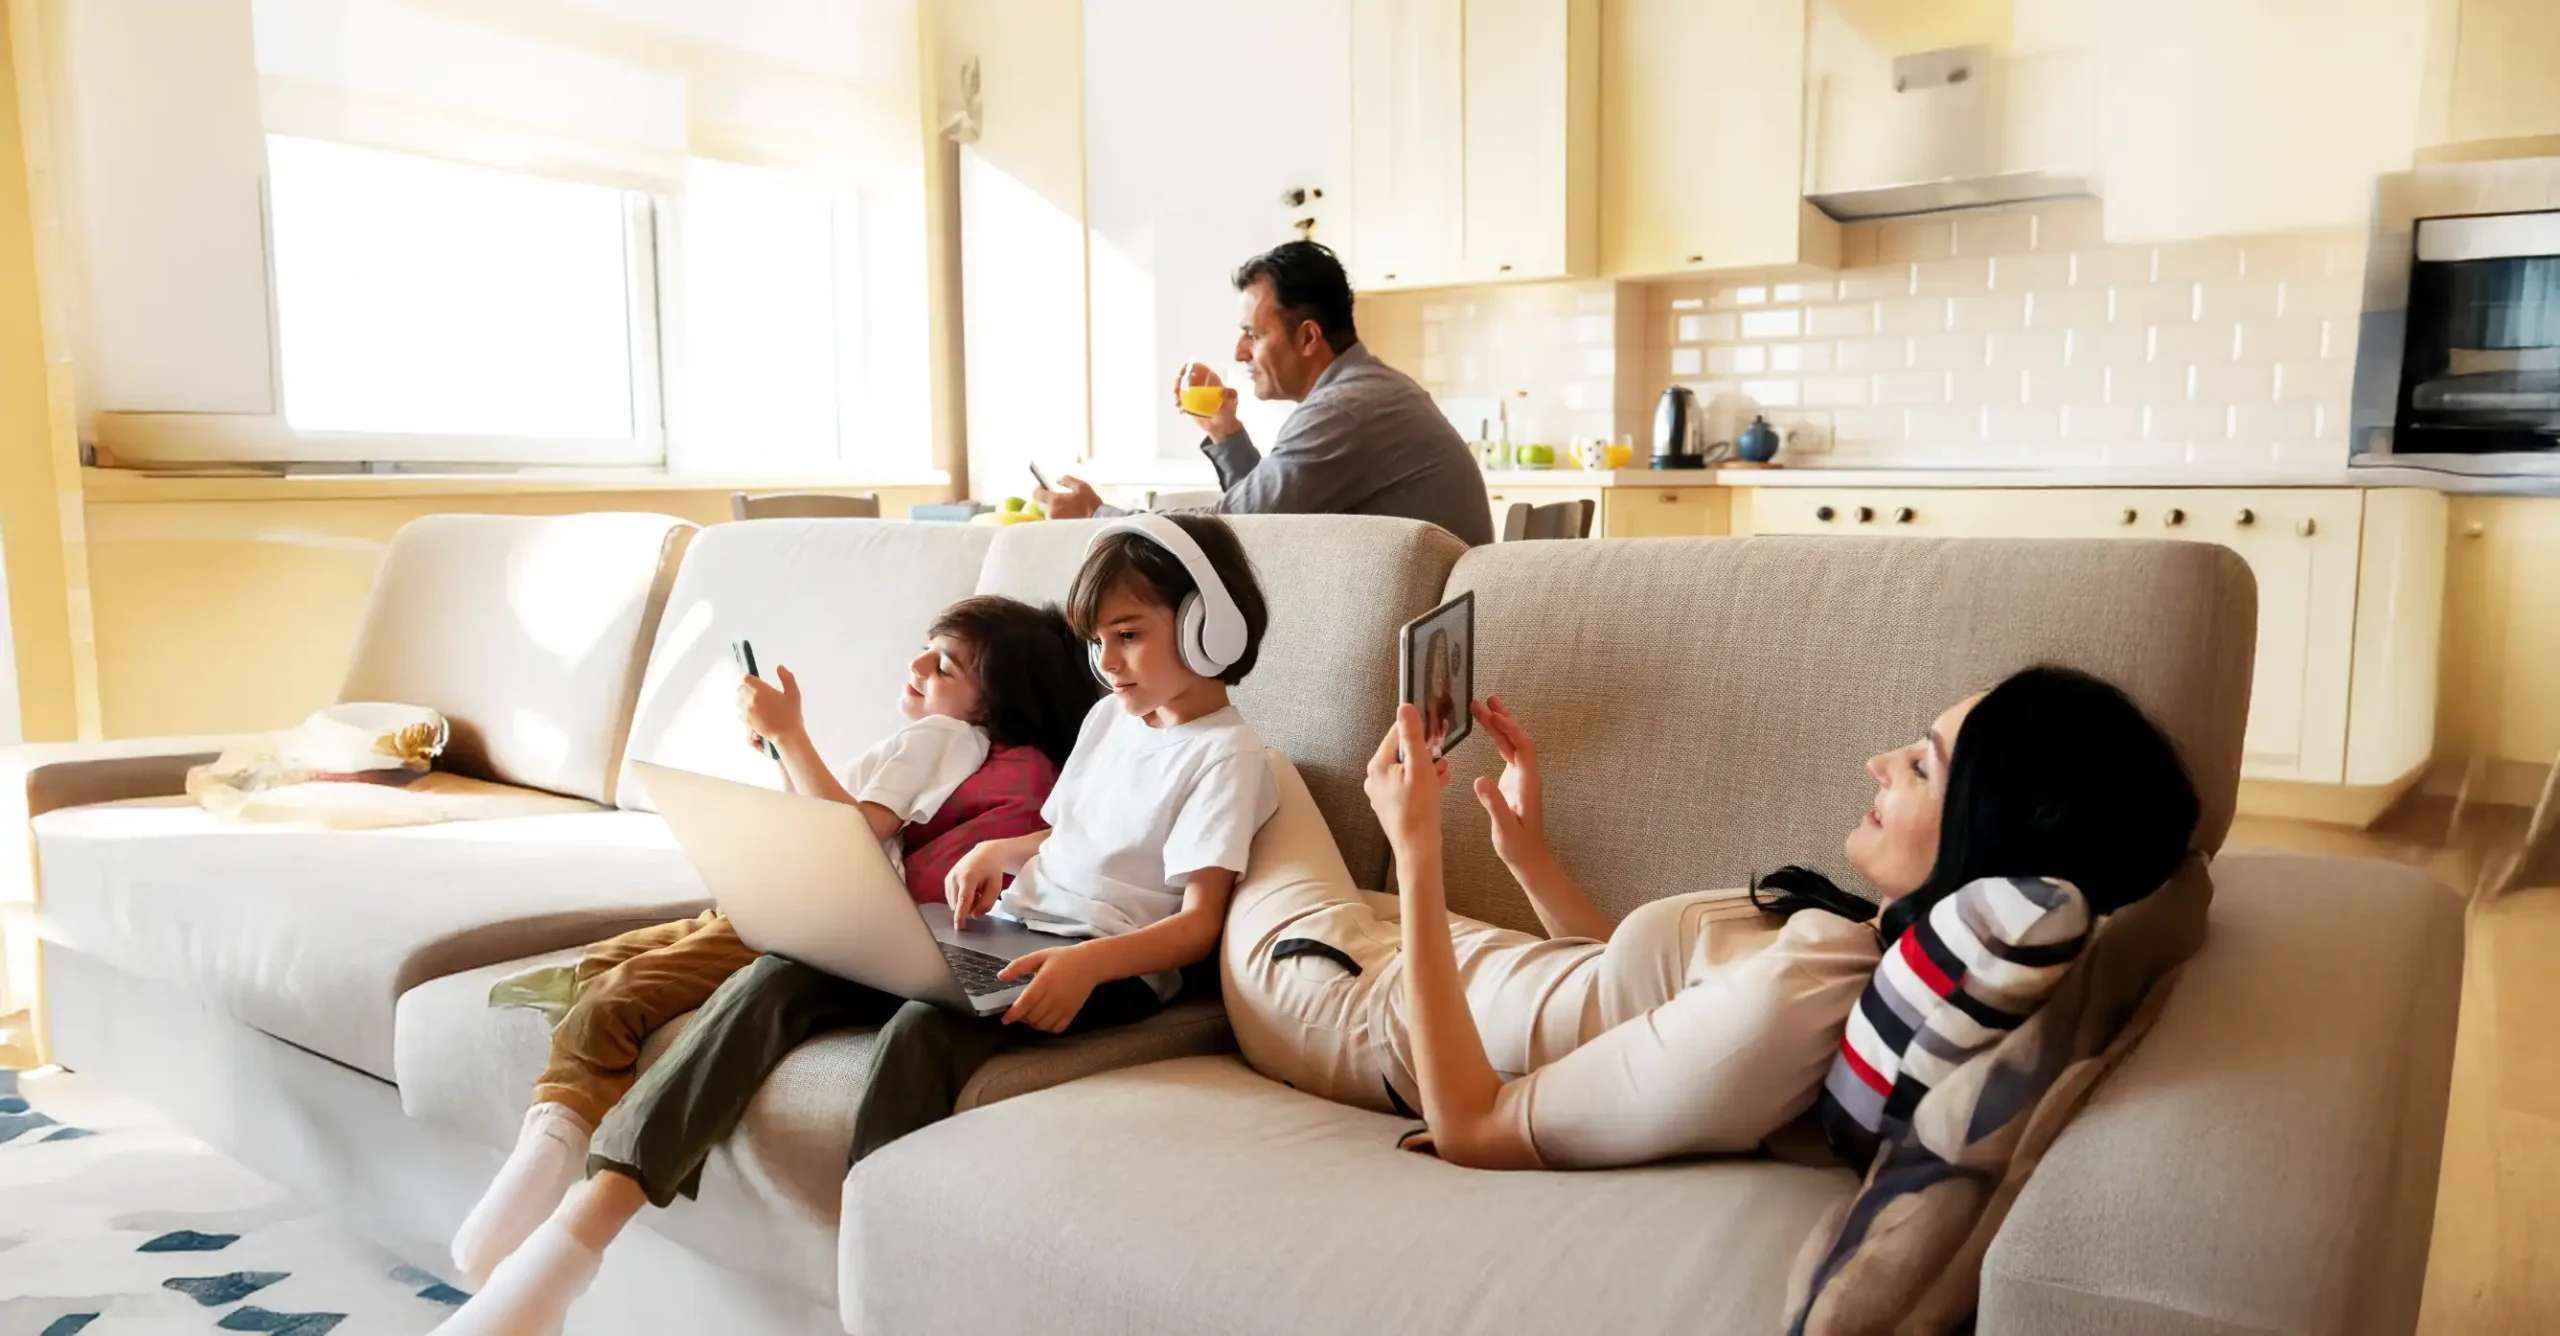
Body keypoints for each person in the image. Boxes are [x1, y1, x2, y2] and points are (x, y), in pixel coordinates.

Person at [435, 514, 1279, 1336]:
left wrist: (1090, 968)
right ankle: (571, 1245)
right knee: (781, 972)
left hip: (1106, 966)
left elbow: (1198, 925)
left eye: (1127, 635)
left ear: (1211, 628)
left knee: (920, 1029)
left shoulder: (1229, 757)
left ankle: (873, 1289)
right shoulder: (1111, 722)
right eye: (1097, 642)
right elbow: (1068, 833)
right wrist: (1008, 853)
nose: (1108, 664)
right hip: (1013, 932)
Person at [1223, 666, 2200, 1171]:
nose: (1878, 763)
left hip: (1353, 1006)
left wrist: (1418, 851)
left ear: (1985, 840)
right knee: (1245, 780)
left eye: (1919, 766)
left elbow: (1475, 1123)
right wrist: (1529, 855)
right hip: (1454, 962)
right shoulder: (1850, 950)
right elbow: (1628, 1003)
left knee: (1253, 764)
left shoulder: (1794, 1007)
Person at [445, 596, 1094, 1292]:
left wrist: (792, 737)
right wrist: (784, 753)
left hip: (820, 911)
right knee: (606, 962)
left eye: (943, 665)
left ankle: (551, 1150)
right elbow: (829, 821)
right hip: (804, 896)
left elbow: (849, 834)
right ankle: (560, 1137)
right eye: (925, 648)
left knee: (617, 994)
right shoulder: (962, 747)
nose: (916, 666)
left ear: (989, 706)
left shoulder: (941, 737)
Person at [1034, 240, 1496, 547]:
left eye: (1252, 335)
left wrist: (1095, 515)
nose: (1239, 353)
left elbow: (1232, 526)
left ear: (1309, 337)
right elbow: (1270, 520)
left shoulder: (1344, 410)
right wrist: (1225, 432)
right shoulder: (1368, 390)